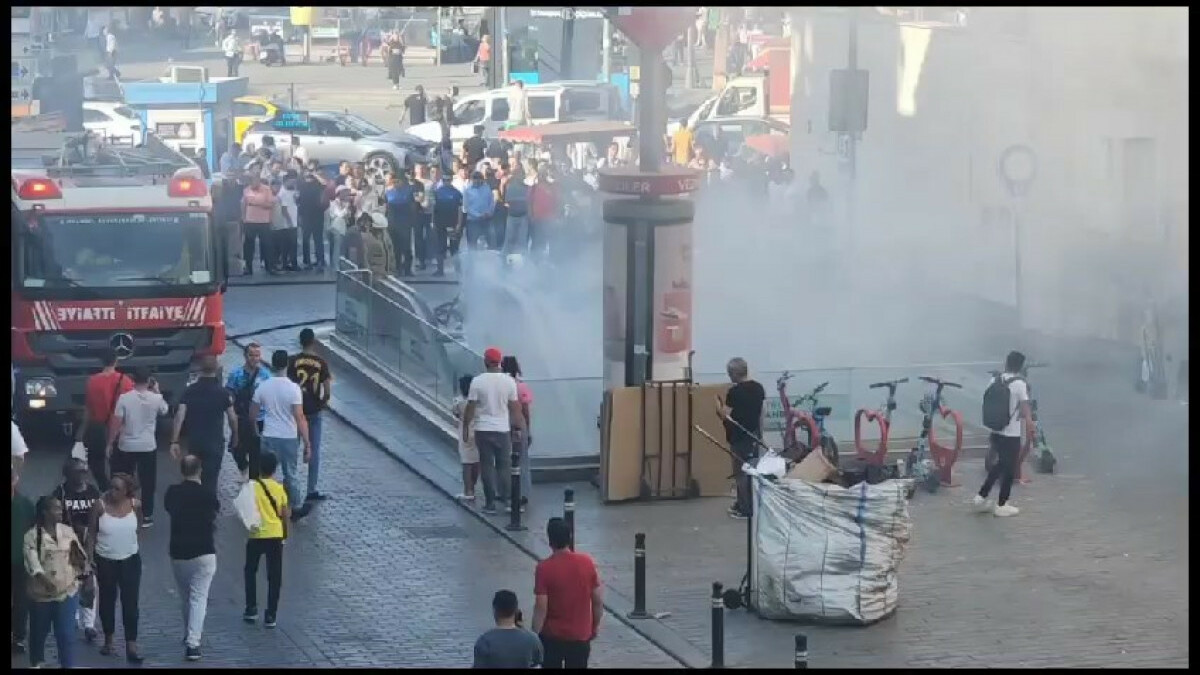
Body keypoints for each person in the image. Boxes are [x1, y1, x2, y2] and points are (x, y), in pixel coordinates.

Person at [163, 454, 219, 661]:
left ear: (182, 471)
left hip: (178, 551)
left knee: (186, 596)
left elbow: (169, 508)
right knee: (199, 597)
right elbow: (215, 511)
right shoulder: (207, 493)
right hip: (204, 550)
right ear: (200, 470)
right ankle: (193, 643)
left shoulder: (173, 492)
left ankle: (189, 633)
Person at [24, 496, 86, 669]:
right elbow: (32, 563)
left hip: (67, 593)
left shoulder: (67, 531)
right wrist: (45, 581)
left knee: (66, 635)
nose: (60, 512)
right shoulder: (32, 536)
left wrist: (84, 576)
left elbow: (77, 556)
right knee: (38, 635)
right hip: (41, 597)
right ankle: (37, 663)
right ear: (45, 512)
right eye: (56, 509)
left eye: (61, 508)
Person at [532, 517, 602, 669]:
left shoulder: (544, 568)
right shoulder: (586, 562)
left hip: (552, 637)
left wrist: (534, 635)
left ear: (550, 540)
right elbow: (597, 601)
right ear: (569, 538)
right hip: (580, 636)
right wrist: (594, 626)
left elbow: (541, 607)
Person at [88, 473, 144, 662]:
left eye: (117, 489)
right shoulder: (100, 505)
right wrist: (90, 558)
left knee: (130, 603)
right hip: (106, 560)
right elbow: (92, 533)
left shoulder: (135, 505)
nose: (112, 492)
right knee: (107, 600)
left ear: (127, 490)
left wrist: (132, 544)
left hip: (130, 559)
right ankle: (109, 639)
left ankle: (131, 644)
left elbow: (139, 527)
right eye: (111, 487)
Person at [251, 349, 312, 521]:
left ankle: (262, 504)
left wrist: (256, 429)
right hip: (289, 437)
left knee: (266, 473)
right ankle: (296, 506)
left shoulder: (263, 386)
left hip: (269, 434)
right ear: (287, 365)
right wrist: (307, 443)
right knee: (290, 473)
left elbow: (253, 413)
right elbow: (299, 417)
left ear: (272, 363)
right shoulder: (293, 389)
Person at [463, 347, 525, 515]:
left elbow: (470, 407)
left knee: (487, 466)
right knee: (504, 466)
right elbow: (515, 408)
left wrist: (465, 427)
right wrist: (518, 428)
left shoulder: (477, 381)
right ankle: (506, 501)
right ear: (499, 362)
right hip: (502, 429)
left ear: (485, 361)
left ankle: (490, 503)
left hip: (483, 429)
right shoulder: (509, 382)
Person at [107, 367, 168, 528]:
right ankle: (147, 515)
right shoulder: (156, 399)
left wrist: (110, 442)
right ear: (149, 381)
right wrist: (156, 390)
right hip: (148, 446)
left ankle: (125, 508)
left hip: (126, 445)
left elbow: (117, 422)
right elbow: (165, 410)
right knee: (148, 481)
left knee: (125, 478)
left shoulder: (124, 398)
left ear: (133, 380)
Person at [975, 351, 1033, 518]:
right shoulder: (1020, 384)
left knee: (1000, 464)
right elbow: (1024, 408)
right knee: (1008, 468)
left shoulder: (995, 379)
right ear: (1021, 366)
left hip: (995, 429)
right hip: (1011, 433)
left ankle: (981, 497)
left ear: (1006, 363)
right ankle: (1002, 504)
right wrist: (1029, 424)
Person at [171, 355, 237, 497]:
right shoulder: (223, 393)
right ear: (217, 368)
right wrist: (235, 436)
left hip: (195, 441)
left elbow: (179, 416)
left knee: (193, 475)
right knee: (211, 478)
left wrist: (174, 440)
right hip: (215, 442)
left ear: (200, 369)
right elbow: (232, 417)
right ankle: (209, 506)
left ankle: (193, 501)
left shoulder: (189, 391)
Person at [51, 458, 101, 643]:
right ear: (69, 474)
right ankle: (73, 618)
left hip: (88, 543)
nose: (83, 475)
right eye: (79, 471)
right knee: (70, 583)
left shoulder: (92, 492)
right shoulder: (60, 493)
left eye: (84, 471)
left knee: (90, 582)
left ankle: (89, 624)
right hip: (67, 544)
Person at [73, 351, 132, 491]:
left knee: (96, 462)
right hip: (119, 429)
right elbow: (130, 407)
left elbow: (88, 408)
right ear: (116, 361)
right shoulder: (126, 381)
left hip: (97, 428)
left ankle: (104, 487)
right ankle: (117, 490)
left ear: (101, 361)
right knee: (118, 464)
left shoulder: (92, 381)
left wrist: (81, 431)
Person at [243, 451, 289, 628]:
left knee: (250, 571)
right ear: (275, 469)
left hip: (256, 535)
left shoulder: (252, 487)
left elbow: (245, 509)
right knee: (274, 576)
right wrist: (285, 534)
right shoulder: (279, 488)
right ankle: (271, 614)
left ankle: (251, 607)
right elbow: (285, 514)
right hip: (275, 535)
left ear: (259, 468)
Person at [716, 358, 765, 520]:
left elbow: (726, 415)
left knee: (741, 474)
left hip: (738, 437)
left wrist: (719, 408)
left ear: (734, 373)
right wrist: (760, 435)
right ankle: (750, 504)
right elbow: (761, 413)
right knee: (752, 470)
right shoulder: (758, 388)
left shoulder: (734, 393)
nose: (729, 377)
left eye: (730, 373)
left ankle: (745, 509)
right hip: (753, 435)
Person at [288, 328, 332, 504]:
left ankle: (291, 485)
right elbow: (327, 390)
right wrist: (321, 403)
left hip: (297, 412)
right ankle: (311, 489)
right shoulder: (321, 363)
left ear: (300, 341)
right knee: (314, 450)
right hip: (314, 411)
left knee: (293, 449)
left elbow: (289, 386)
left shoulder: (293, 361)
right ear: (313, 342)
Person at [226, 342, 272, 480]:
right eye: (251, 355)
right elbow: (229, 392)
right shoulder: (236, 374)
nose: (254, 358)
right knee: (236, 448)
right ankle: (244, 467)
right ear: (245, 356)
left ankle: (254, 481)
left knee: (255, 452)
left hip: (259, 419)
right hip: (241, 418)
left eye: (257, 355)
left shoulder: (265, 375)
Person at [474, 589, 544, 668]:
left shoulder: (485, 641)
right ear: (516, 610)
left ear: (494, 610)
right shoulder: (532, 639)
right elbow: (537, 662)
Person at [501, 356, 534, 510]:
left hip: (502, 426)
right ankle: (522, 494)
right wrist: (528, 429)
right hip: (519, 426)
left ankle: (505, 492)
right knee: (522, 461)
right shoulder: (521, 387)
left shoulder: (501, 386)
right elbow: (526, 411)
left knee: (505, 461)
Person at [11, 470, 36, 655]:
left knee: (21, 600)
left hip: (21, 561)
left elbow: (34, 532)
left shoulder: (25, 504)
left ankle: (18, 636)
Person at [452, 374, 480, 502]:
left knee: (466, 462)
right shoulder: (479, 401)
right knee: (476, 461)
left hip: (466, 431)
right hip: (479, 431)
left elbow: (456, 414)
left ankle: (468, 490)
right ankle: (473, 486)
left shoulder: (459, 402)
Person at [242, 174, 277, 275]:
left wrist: (256, 204)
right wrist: (244, 218)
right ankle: (248, 268)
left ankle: (269, 267)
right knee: (248, 246)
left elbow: (270, 205)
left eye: (255, 182)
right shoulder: (246, 190)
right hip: (250, 221)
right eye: (251, 182)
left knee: (267, 245)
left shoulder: (266, 190)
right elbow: (243, 204)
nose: (253, 184)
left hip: (264, 221)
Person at [298, 161, 330, 271]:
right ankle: (307, 261)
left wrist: (315, 175)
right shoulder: (301, 182)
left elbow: (325, 184)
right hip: (305, 214)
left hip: (317, 214)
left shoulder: (318, 183)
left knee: (318, 239)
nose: (310, 173)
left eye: (313, 170)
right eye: (309, 170)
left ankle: (320, 260)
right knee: (305, 239)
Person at [385, 173, 418, 276]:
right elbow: (385, 208)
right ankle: (397, 268)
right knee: (395, 248)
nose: (396, 183)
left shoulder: (408, 192)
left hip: (405, 223)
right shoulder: (388, 193)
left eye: (398, 181)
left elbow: (413, 207)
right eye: (394, 181)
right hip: (392, 223)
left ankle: (408, 269)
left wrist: (412, 221)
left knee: (406, 247)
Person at [432, 173, 464, 276]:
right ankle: (440, 270)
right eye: (445, 180)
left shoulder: (457, 193)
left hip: (453, 223)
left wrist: (459, 223)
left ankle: (458, 270)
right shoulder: (437, 192)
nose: (446, 182)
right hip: (440, 223)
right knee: (440, 247)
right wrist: (432, 222)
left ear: (451, 180)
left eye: (448, 180)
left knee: (454, 247)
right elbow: (433, 208)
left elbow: (460, 209)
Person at [528, 164, 560, 260]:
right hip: (537, 220)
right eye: (540, 174)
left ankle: (552, 261)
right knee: (537, 243)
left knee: (552, 242)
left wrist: (557, 216)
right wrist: (531, 217)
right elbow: (529, 203)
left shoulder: (553, 187)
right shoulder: (533, 188)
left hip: (550, 219)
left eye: (543, 174)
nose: (542, 176)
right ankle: (535, 262)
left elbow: (557, 202)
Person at [501, 164, 532, 257]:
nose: (520, 176)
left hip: (523, 217)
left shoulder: (527, 188)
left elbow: (529, 203)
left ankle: (524, 261)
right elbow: (507, 202)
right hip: (512, 217)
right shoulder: (510, 187)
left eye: (522, 174)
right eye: (518, 174)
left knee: (522, 242)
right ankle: (504, 259)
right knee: (509, 240)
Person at [463, 171, 496, 250]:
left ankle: (491, 260)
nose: (477, 180)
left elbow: (491, 202)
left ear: (482, 179)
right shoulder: (467, 190)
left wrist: (489, 212)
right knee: (472, 245)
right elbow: (466, 207)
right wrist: (478, 215)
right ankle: (472, 261)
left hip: (487, 220)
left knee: (492, 242)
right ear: (471, 179)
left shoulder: (487, 188)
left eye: (479, 178)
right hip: (473, 221)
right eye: (475, 178)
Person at [362, 211, 398, 283]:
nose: (381, 233)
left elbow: (391, 256)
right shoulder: (365, 239)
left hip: (386, 276)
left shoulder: (386, 238)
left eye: (382, 230)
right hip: (374, 278)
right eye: (378, 230)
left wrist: (391, 272)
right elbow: (364, 260)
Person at [275, 175, 300, 271]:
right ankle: (287, 264)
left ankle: (292, 263)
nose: (293, 184)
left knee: (292, 245)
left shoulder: (292, 191)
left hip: (294, 221)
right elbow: (284, 209)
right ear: (285, 182)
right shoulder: (282, 193)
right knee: (287, 245)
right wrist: (289, 222)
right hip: (287, 224)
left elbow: (296, 203)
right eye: (291, 182)